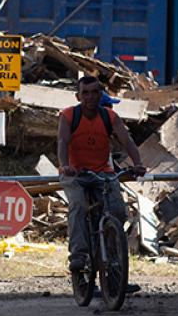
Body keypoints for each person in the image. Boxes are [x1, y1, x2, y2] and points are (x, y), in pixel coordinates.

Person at [58, 76, 146, 273]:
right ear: (78, 96)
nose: (90, 97)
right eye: (85, 93)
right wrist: (65, 166)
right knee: (78, 206)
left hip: (102, 172)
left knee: (117, 211)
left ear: (100, 95)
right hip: (75, 173)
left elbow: (127, 141)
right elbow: (62, 143)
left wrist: (138, 164)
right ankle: (79, 256)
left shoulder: (109, 116)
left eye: (94, 92)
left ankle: (112, 258)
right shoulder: (69, 115)